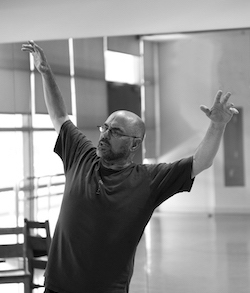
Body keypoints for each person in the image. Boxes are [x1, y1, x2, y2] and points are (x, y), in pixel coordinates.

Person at [22, 40, 239, 293]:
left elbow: (201, 162)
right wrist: (46, 73)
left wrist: (217, 125)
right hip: (57, 287)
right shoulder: (81, 156)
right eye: (105, 127)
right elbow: (60, 117)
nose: (104, 135)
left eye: (115, 132)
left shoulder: (149, 180)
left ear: (134, 145)